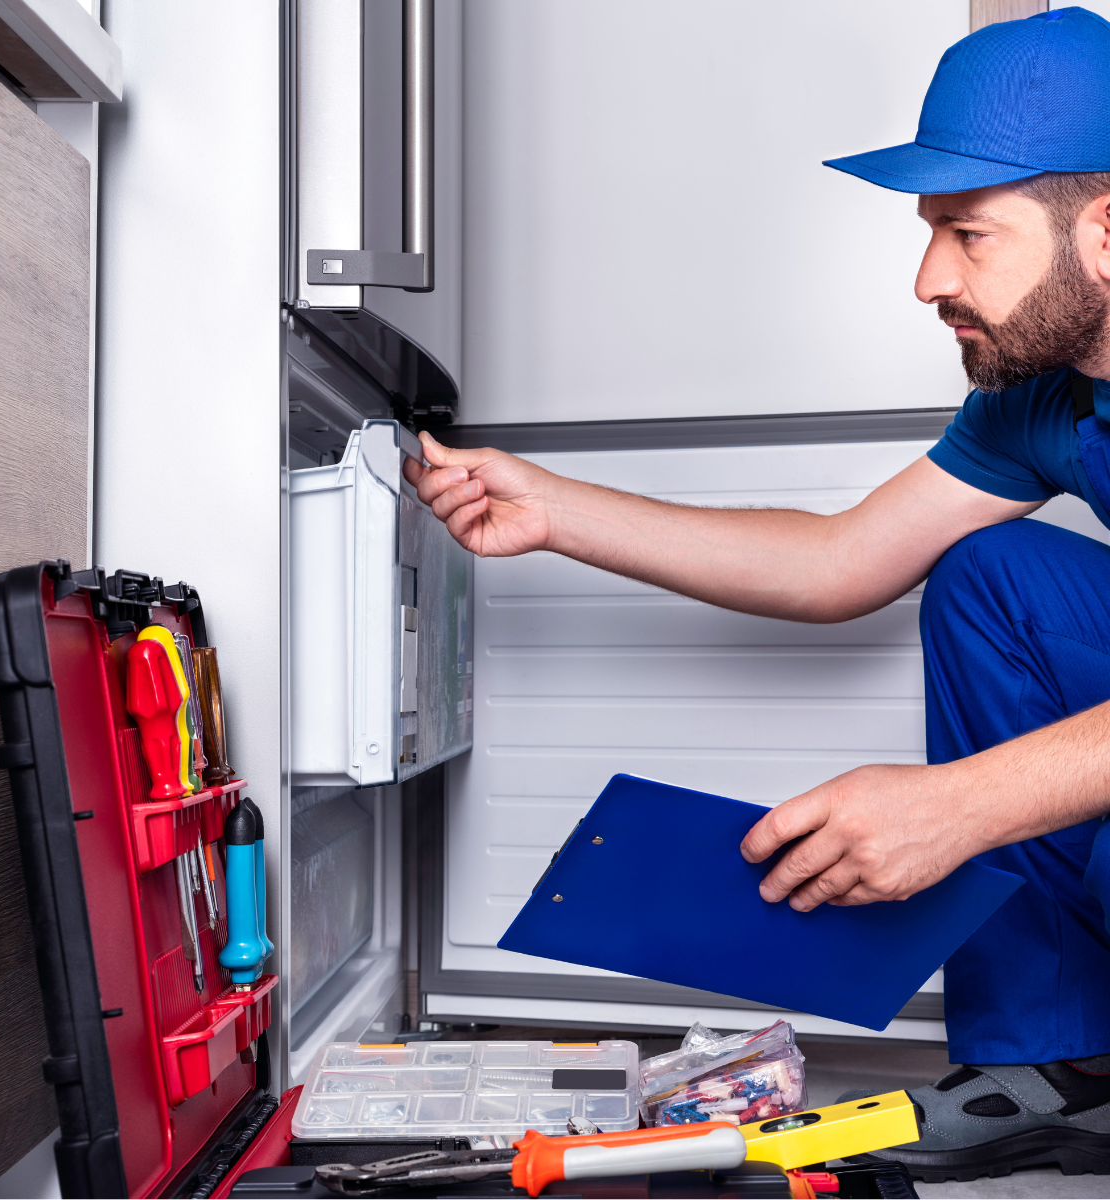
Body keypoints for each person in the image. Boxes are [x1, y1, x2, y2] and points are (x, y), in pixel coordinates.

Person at [407, 6, 1110, 1183]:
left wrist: (962, 806)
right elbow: (841, 562)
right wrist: (556, 509)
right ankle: (1064, 1064)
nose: (928, 276)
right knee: (997, 578)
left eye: (965, 233)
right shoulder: (1044, 396)